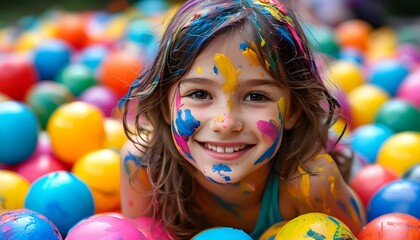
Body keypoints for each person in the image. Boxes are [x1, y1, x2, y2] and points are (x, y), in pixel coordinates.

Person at [119, 0, 366, 239]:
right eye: (199, 94)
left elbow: (362, 235)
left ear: (293, 111)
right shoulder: (143, 164)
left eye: (256, 96)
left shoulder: (313, 181)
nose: (225, 123)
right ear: (165, 107)